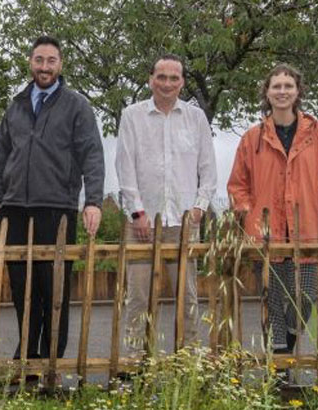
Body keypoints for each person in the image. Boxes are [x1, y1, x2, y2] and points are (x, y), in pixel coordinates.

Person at [227, 64, 318, 354]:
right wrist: (247, 213)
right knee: (273, 300)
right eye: (276, 86)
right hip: (266, 235)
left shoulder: (316, 133)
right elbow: (238, 185)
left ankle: (285, 347)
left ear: (298, 91)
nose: (282, 91)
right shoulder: (252, 138)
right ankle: (280, 367)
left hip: (306, 231)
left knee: (305, 298)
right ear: (267, 93)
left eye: (288, 86)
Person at [0, 35, 104, 371]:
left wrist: (93, 200)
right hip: (14, 209)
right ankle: (26, 356)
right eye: (39, 60)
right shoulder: (16, 105)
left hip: (56, 208)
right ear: (30, 62)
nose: (44, 67)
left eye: (51, 61)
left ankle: (50, 361)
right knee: (22, 289)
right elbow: (2, 155)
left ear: (60, 64)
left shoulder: (76, 105)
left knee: (53, 292)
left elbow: (92, 155)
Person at [114, 54, 215, 356]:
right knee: (138, 296)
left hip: (184, 223)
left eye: (174, 78)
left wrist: (199, 207)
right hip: (142, 223)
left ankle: (190, 355)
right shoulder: (132, 116)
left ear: (182, 82)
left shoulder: (196, 118)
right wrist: (137, 211)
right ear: (150, 80)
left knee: (188, 296)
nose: (167, 83)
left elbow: (208, 168)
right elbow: (124, 166)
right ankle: (135, 359)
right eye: (161, 77)